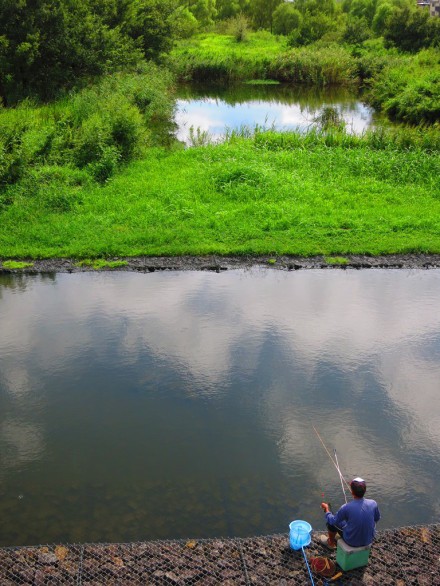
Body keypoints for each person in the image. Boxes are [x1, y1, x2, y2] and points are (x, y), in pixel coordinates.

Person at [320, 477, 380, 549]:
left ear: (352, 492)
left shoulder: (346, 507)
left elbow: (332, 521)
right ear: (365, 491)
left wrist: (327, 509)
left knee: (331, 522)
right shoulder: (373, 503)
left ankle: (331, 543)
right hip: (368, 540)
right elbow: (377, 519)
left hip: (351, 541)